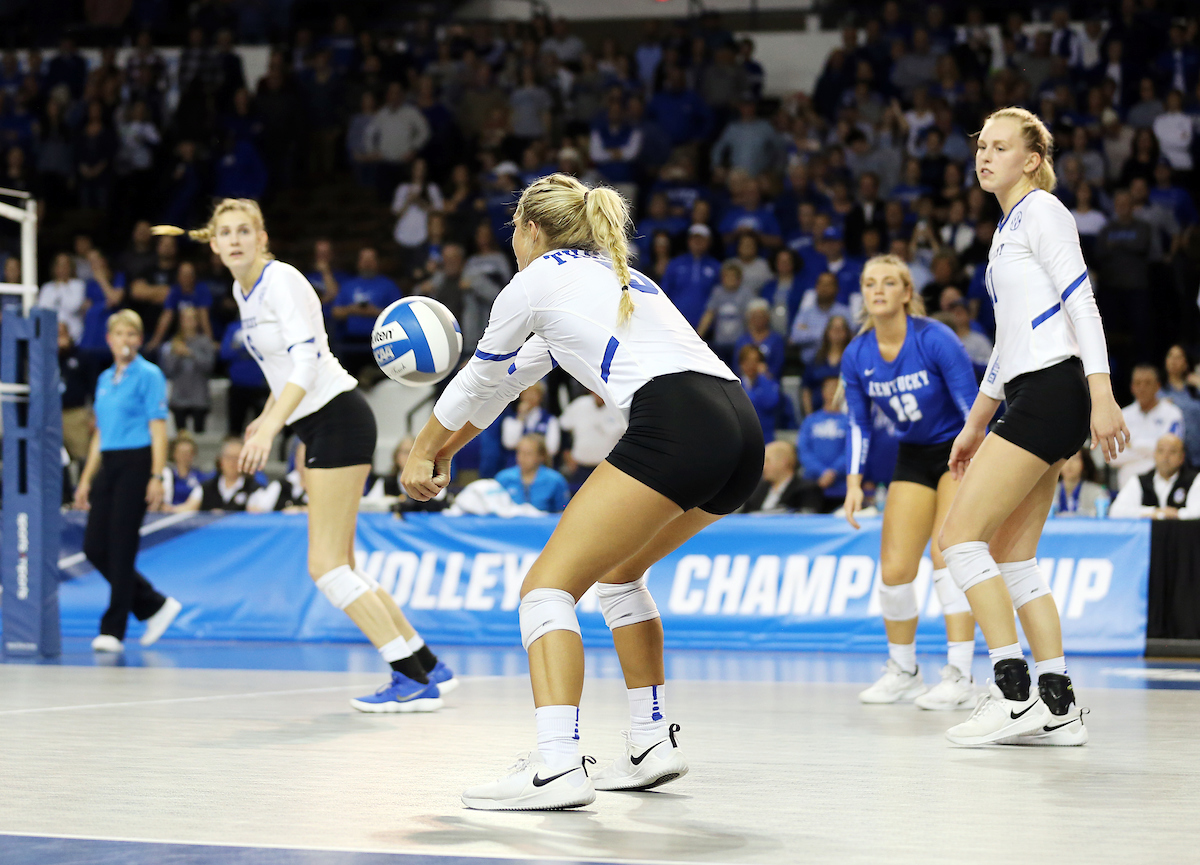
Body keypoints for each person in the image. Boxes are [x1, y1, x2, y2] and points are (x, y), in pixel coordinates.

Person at [400, 175, 762, 810]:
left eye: (514, 230)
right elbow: (507, 384)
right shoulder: (611, 275)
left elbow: (476, 380)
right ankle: (652, 742)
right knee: (619, 577)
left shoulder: (536, 279)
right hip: (739, 428)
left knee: (545, 590)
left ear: (531, 229)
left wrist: (420, 448)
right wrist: (447, 451)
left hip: (677, 422)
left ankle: (557, 765)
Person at [152, 199, 455, 713]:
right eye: (225, 232)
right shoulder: (242, 291)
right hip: (320, 424)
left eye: (244, 230)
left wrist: (272, 425)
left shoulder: (282, 281)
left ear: (261, 237)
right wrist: (266, 414)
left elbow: (307, 361)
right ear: (214, 243)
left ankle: (410, 679)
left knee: (326, 568)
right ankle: (427, 665)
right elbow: (280, 371)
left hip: (337, 418)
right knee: (345, 566)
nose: (234, 240)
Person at [937, 107, 1127, 747]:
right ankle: (1058, 704)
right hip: (1032, 390)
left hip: (1053, 389)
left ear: (1032, 159)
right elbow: (1007, 345)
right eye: (980, 147)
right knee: (1014, 558)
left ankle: (1012, 694)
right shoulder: (1006, 228)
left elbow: (1082, 301)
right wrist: (974, 426)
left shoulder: (1043, 211)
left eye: (999, 147)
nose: (984, 156)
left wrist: (1102, 392)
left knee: (959, 540)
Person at [841, 255, 981, 710]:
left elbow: (972, 407)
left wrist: (979, 464)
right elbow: (859, 424)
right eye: (869, 283)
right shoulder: (856, 354)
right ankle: (904, 671)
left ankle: (960, 675)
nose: (877, 290)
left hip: (960, 449)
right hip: (913, 455)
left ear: (906, 293)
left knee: (948, 555)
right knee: (895, 569)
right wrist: (854, 483)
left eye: (888, 282)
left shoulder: (935, 338)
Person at [72, 310, 182, 653]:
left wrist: (156, 475)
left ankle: (113, 629)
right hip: (109, 462)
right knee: (94, 546)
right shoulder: (106, 379)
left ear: (139, 339)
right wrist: (86, 480)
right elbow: (99, 434)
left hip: (137, 460)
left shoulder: (149, 374)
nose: (125, 340)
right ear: (109, 340)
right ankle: (153, 604)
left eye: (132, 334)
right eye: (119, 334)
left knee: (121, 546)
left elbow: (158, 427)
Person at [1111, 364, 1185, 490]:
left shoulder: (1172, 414)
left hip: (1162, 484)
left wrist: (1133, 445)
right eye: (1138, 383)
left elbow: (1171, 453)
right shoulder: (1122, 415)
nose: (1142, 388)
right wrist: (1153, 451)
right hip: (1127, 486)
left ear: (1158, 386)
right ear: (1132, 387)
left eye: (1147, 383)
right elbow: (1113, 457)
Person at [1110, 433, 1200, 519]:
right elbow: (1116, 512)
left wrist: (1177, 514)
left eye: (1172, 451)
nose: (1166, 456)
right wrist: (1154, 512)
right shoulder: (1140, 481)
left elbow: (1197, 512)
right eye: (1161, 451)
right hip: (1150, 530)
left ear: (1182, 456)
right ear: (1154, 454)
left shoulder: (1195, 479)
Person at [175, 437, 277, 512]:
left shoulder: (253, 488)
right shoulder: (206, 487)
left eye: (237, 458)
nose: (232, 463)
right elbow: (188, 508)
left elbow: (257, 514)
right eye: (228, 457)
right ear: (220, 461)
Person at [159, 306, 215, 433]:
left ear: (197, 321)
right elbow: (168, 370)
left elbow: (209, 367)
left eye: (191, 319)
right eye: (185, 319)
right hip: (179, 397)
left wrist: (190, 353)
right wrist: (176, 355)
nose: (188, 322)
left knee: (200, 436)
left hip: (199, 397)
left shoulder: (205, 342)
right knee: (180, 436)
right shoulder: (173, 342)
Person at [558, 391, 626, 491]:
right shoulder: (580, 404)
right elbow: (564, 427)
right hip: (580, 467)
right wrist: (566, 453)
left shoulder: (620, 409)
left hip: (607, 469)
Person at [798, 377, 848, 513]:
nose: (832, 391)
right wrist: (822, 471)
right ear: (822, 392)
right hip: (813, 484)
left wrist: (834, 472)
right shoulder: (810, 421)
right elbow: (803, 450)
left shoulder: (849, 421)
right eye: (829, 388)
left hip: (842, 486)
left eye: (836, 388)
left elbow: (850, 451)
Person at [494, 434, 571, 513]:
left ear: (541, 456)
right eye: (520, 452)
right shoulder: (503, 478)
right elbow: (494, 507)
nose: (522, 457)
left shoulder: (555, 480)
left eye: (528, 454)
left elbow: (563, 508)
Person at [740, 439, 817, 513]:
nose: (764, 466)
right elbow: (744, 514)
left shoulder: (806, 490)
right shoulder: (757, 489)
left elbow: (807, 515)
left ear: (784, 461)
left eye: (768, 461)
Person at [1161, 345, 1200, 469]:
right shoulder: (1159, 392)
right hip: (1171, 456)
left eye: (1178, 357)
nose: (1174, 361)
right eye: (1170, 356)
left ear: (1186, 363)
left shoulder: (1195, 390)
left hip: (1196, 453)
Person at [501, 382, 561, 460]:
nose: (530, 397)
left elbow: (552, 449)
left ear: (541, 396)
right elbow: (509, 443)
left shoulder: (550, 420)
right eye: (526, 393)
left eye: (534, 393)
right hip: (515, 463)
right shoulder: (511, 419)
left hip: (541, 463)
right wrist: (520, 417)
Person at [37, 252, 87, 343]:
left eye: (65, 265)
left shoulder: (78, 284)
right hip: (51, 333)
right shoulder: (47, 287)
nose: (62, 268)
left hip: (74, 334)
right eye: (59, 265)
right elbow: (43, 308)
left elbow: (73, 306)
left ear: (71, 267)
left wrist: (62, 286)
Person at [1050, 449, 1110, 518]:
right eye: (1065, 459)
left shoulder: (1097, 492)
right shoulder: (1049, 491)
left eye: (1075, 458)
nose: (1069, 463)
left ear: (1083, 463)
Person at [162, 433, 205, 510]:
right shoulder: (166, 475)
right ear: (174, 454)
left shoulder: (200, 477)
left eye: (188, 453)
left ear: (194, 454)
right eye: (181, 452)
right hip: (166, 513)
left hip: (192, 514)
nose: (184, 456)